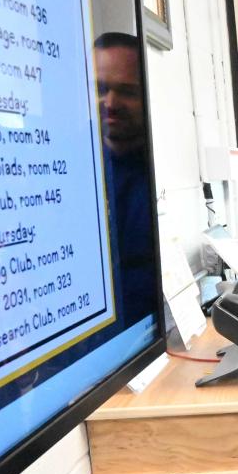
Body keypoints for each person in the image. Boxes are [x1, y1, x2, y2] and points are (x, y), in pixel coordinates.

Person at [94, 32, 155, 328]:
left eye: (127, 91)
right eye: (101, 89)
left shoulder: (156, 172)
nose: (110, 102)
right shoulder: (70, 170)